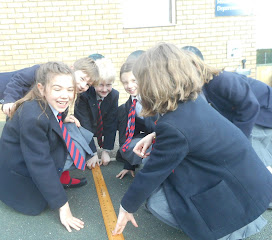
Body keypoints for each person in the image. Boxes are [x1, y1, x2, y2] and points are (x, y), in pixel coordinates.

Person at [112, 43, 272, 240]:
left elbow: (153, 172)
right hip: (250, 180)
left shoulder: (174, 123)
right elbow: (186, 129)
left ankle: (227, 231)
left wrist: (126, 206)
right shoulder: (192, 101)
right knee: (168, 189)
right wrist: (153, 135)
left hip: (241, 191)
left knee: (157, 202)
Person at [0, 61, 92, 232]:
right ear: (41, 88)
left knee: (77, 137)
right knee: (39, 202)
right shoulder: (34, 117)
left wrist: (62, 119)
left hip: (25, 159)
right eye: (57, 89)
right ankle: (59, 179)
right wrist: (63, 206)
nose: (65, 95)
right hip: (17, 180)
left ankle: (61, 176)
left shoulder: (49, 104)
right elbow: (40, 163)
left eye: (70, 90)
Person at [0, 57, 99, 189]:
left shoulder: (68, 89)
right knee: (13, 140)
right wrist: (9, 100)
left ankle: (60, 176)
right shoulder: (43, 71)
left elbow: (59, 105)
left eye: (88, 84)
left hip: (39, 114)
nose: (83, 86)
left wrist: (62, 118)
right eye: (82, 79)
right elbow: (18, 80)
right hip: (21, 110)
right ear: (72, 68)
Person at [182, 46, 272, 168]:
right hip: (250, 115)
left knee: (252, 156)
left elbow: (250, 106)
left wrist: (237, 140)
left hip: (263, 113)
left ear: (196, 67)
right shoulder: (200, 89)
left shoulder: (221, 80)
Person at [116, 55, 157, 179]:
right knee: (126, 147)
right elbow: (130, 133)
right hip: (149, 137)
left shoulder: (156, 97)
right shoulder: (129, 104)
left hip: (163, 137)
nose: (129, 85)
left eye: (134, 80)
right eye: (125, 82)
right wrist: (129, 165)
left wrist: (154, 136)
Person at [74, 57, 119, 168]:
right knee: (76, 127)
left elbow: (111, 123)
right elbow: (84, 124)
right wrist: (92, 153)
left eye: (108, 85)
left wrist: (106, 151)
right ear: (93, 83)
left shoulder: (114, 95)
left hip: (100, 127)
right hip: (88, 126)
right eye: (100, 85)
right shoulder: (83, 95)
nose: (104, 89)